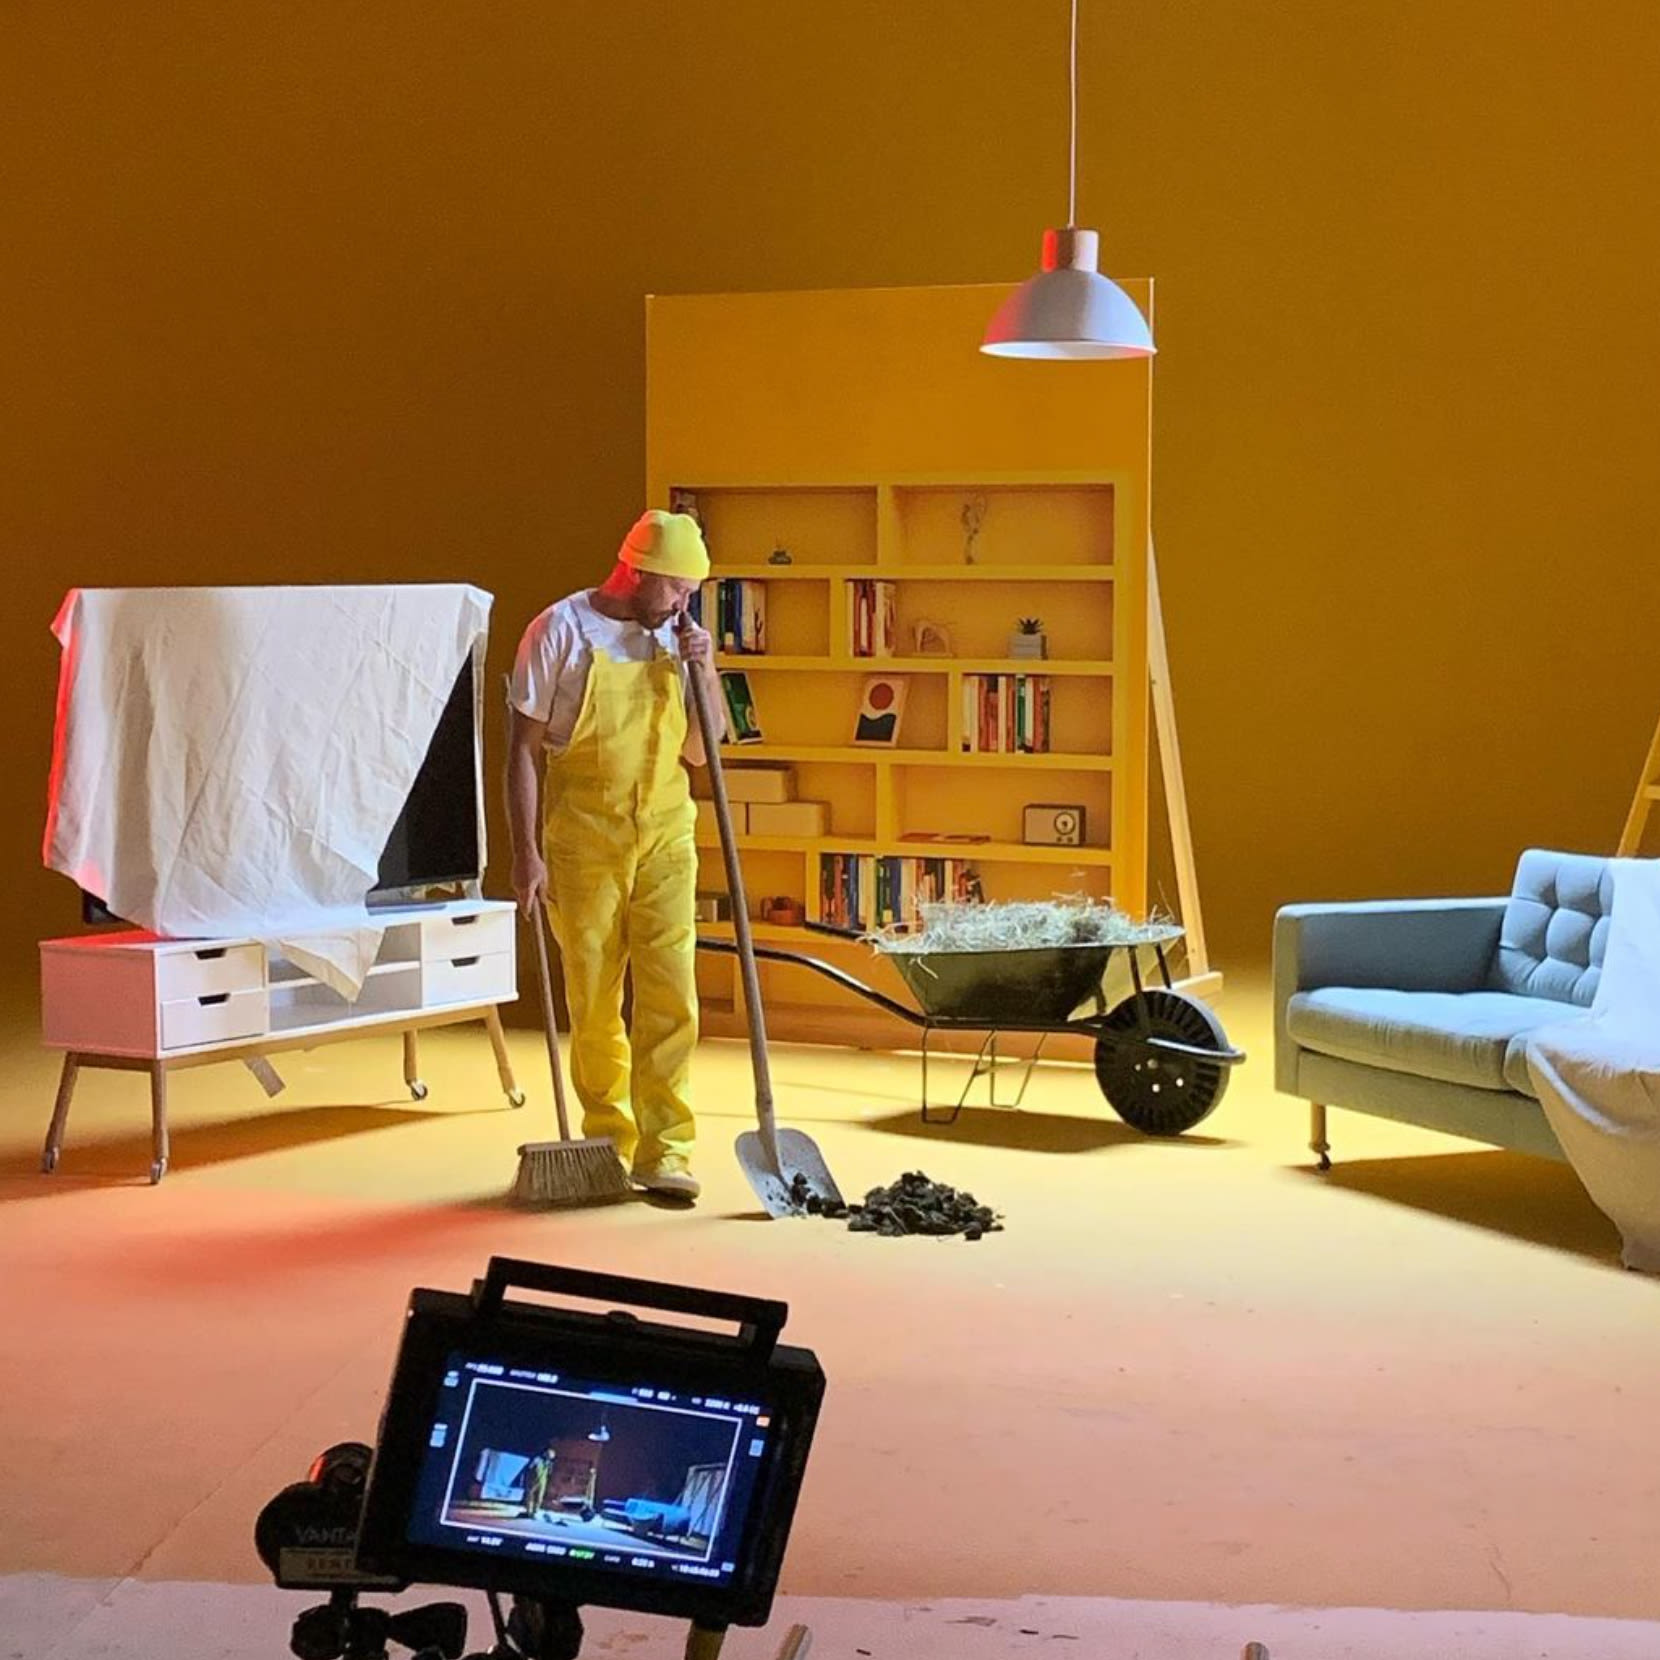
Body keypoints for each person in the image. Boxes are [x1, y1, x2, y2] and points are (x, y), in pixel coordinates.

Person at [506, 510, 720, 1201]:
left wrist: (705, 669)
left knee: (671, 992)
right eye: (675, 590)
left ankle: (668, 1150)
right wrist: (525, 854)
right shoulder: (558, 631)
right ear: (635, 571)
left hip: (665, 830)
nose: (683, 605)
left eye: (691, 592)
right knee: (594, 996)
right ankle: (606, 1139)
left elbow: (704, 749)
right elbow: (522, 750)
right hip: (584, 836)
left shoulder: (681, 643)